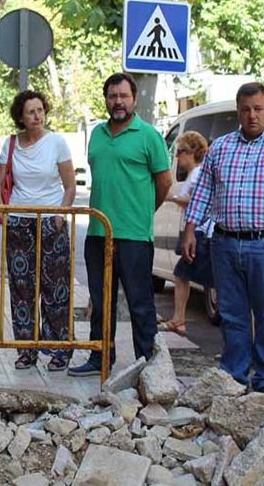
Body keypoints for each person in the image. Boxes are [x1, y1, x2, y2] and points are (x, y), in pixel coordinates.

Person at [183, 82, 264, 393]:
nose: (252, 115)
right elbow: (204, 192)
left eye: (258, 109)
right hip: (225, 242)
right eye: (246, 109)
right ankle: (234, 377)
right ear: (238, 111)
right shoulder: (220, 147)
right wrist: (190, 230)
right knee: (233, 314)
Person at [68, 72, 172, 377]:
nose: (118, 102)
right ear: (106, 99)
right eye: (112, 96)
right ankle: (100, 357)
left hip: (135, 236)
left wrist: (142, 211)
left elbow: (165, 182)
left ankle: (149, 363)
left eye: (123, 96)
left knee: (141, 304)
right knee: (101, 302)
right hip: (99, 232)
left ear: (134, 99)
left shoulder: (149, 135)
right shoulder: (98, 134)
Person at [0, 90, 76, 371]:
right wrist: (1, 209)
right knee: (21, 288)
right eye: (31, 112)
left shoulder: (56, 142)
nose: (37, 116)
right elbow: (0, 181)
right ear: (21, 116)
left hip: (50, 220)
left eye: (40, 110)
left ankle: (59, 349)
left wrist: (60, 216)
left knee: (55, 288)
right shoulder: (12, 143)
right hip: (19, 220)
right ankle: (26, 349)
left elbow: (70, 186)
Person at [159, 131, 213, 337]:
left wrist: (172, 197)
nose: (177, 157)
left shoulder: (198, 174)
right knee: (182, 275)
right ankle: (178, 318)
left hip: (199, 231)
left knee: (182, 274)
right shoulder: (195, 174)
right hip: (192, 230)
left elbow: (197, 201)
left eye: (180, 152)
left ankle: (179, 319)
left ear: (191, 153)